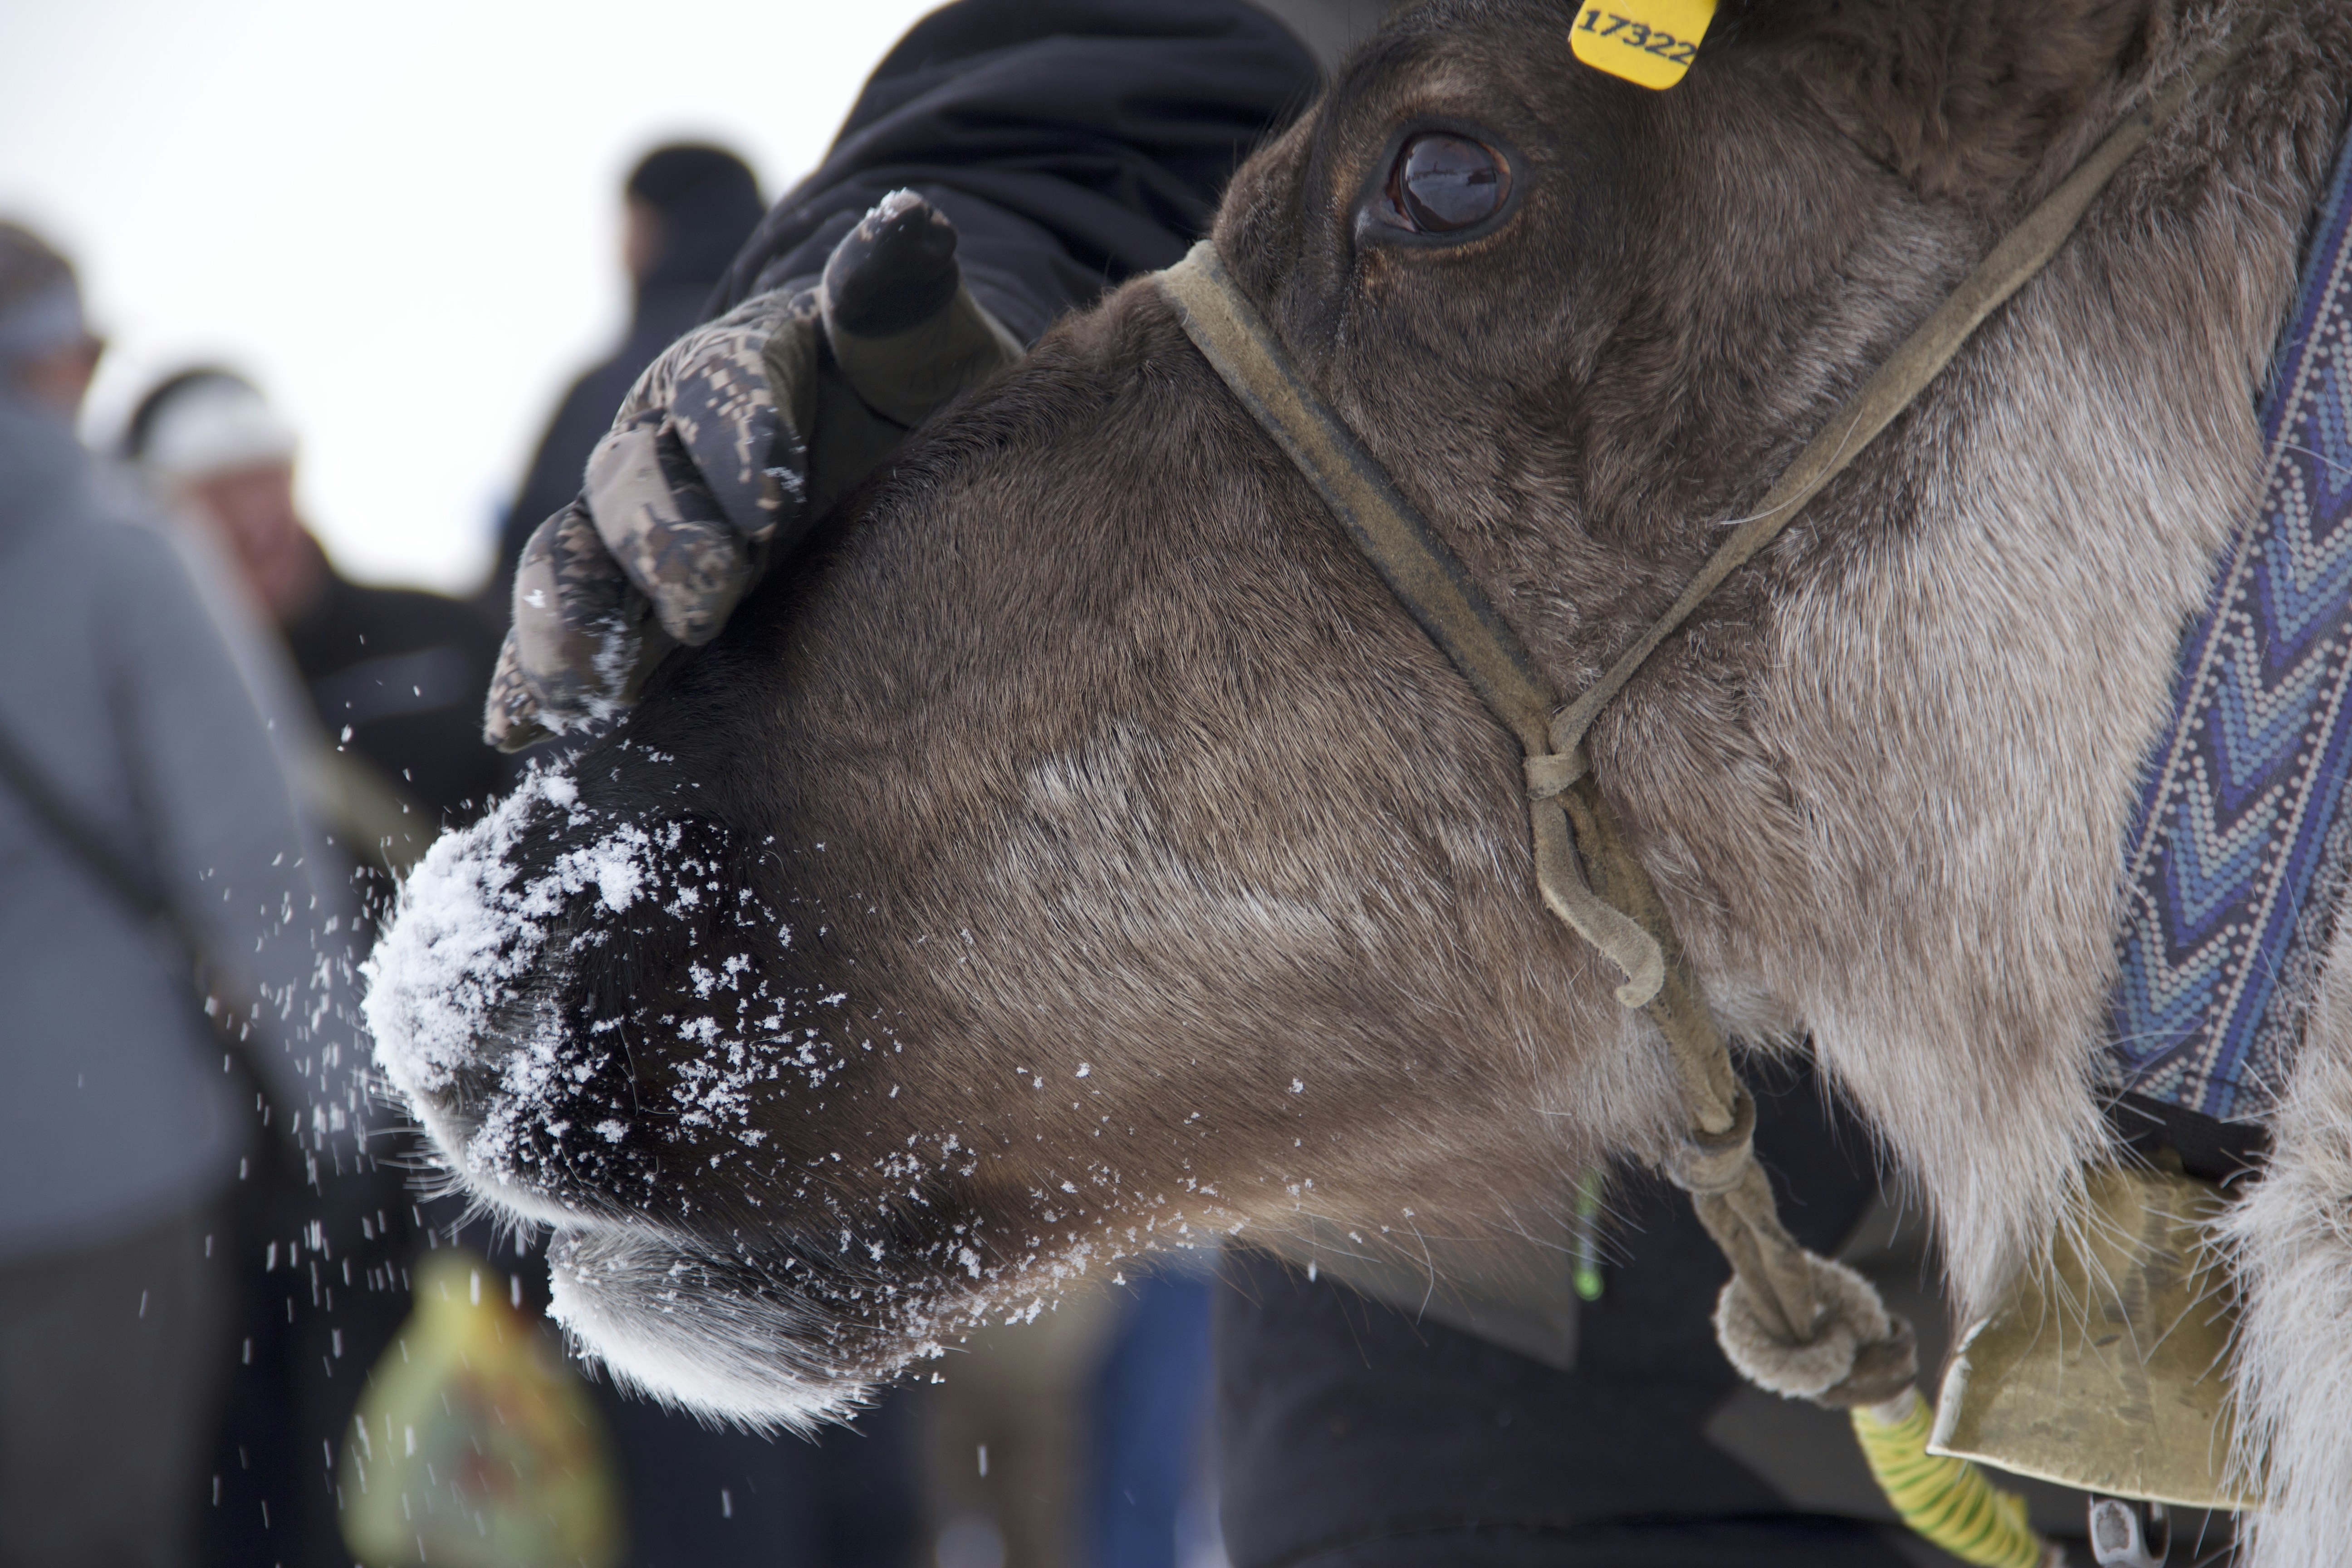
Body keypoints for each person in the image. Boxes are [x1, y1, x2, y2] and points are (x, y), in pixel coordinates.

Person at [0, 220, 354, 1568]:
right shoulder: (118, 555)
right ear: (41, 357)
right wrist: (344, 1126)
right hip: (102, 1173)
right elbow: (256, 871)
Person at [126, 368, 505, 879]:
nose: (252, 516)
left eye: (264, 476)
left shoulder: (445, 634)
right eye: (215, 492)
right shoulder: (140, 710)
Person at [486, 144, 765, 612]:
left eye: (631, 223)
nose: (620, 247)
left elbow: (535, 564)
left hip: (654, 669)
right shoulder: (793, 347)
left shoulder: (615, 386)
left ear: (663, 230)